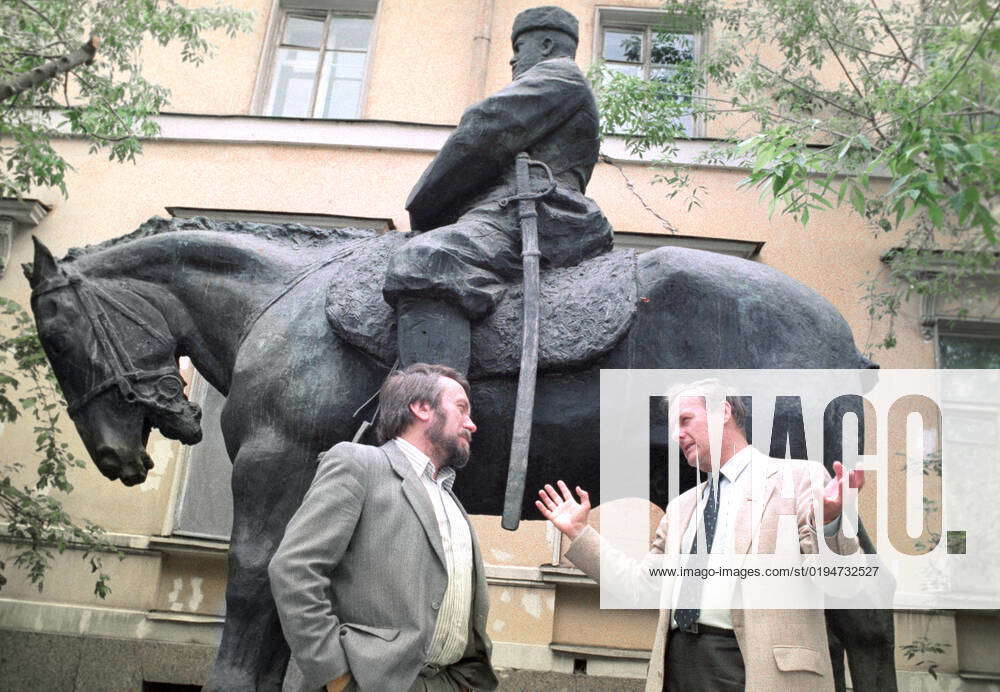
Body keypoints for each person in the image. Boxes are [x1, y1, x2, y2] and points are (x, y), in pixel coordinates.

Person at [537, 379, 865, 692]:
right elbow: (641, 589)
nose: (677, 435)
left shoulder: (801, 478)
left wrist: (829, 523)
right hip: (679, 663)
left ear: (723, 411)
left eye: (685, 420)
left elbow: (843, 583)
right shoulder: (681, 508)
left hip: (755, 669)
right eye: (673, 427)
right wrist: (580, 532)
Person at [383, 5, 614, 373]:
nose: (512, 59)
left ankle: (436, 413)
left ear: (547, 45)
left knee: (427, 259)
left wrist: (425, 205)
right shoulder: (562, 85)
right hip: (518, 208)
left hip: (536, 213)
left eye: (519, 48)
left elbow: (483, 129)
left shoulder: (560, 76)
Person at [269, 364, 498, 692]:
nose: (472, 424)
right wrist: (336, 678)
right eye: (461, 409)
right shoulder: (357, 464)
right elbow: (293, 570)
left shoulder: (450, 498)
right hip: (366, 682)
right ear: (421, 408)